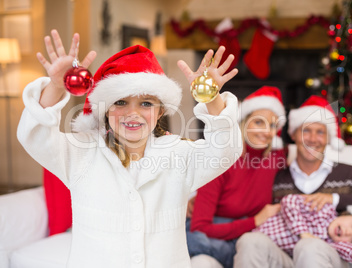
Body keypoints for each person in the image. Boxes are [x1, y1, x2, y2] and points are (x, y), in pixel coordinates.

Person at [17, 30, 243, 267]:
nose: (132, 113)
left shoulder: (178, 155)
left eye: (145, 103)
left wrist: (211, 98)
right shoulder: (81, 152)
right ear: (105, 109)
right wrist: (54, 87)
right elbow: (35, 136)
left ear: (160, 112)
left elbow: (225, 150)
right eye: (121, 102)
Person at [234, 95, 352, 268]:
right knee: (250, 240)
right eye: (306, 130)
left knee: (309, 246)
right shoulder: (277, 177)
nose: (312, 139)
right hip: (283, 257)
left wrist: (335, 199)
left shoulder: (348, 174)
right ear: (294, 135)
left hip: (330, 256)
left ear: (329, 138)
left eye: (320, 132)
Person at [186, 86, 288, 268]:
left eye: (272, 125)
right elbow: (199, 228)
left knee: (249, 246)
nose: (266, 131)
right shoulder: (222, 160)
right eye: (259, 122)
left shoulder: (277, 157)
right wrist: (255, 221)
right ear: (243, 122)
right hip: (216, 238)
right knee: (195, 243)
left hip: (249, 241)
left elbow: (311, 148)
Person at [253, 194, 352, 268]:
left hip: (277, 255)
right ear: (346, 213)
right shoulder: (323, 209)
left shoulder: (329, 244)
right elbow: (289, 200)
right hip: (260, 232)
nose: (349, 232)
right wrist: (303, 233)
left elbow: (345, 248)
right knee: (250, 243)